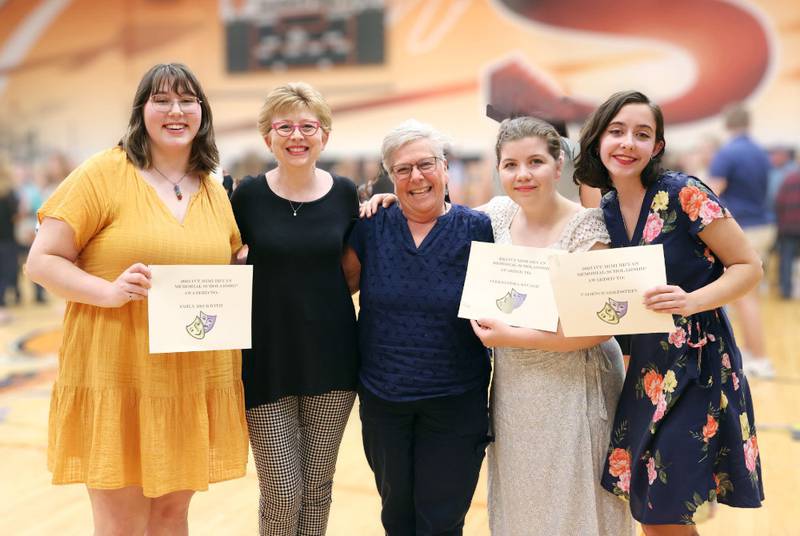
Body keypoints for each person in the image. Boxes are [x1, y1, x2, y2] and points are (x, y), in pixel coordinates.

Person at [24, 63, 248, 534]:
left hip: (187, 378)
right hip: (117, 371)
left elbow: (225, 261)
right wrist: (106, 292)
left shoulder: (212, 188)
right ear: (141, 110)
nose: (175, 110)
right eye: (161, 100)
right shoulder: (103, 172)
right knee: (121, 521)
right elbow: (42, 261)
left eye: (187, 100)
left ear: (202, 113)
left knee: (172, 516)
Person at [574, 90, 764, 536]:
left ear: (656, 147)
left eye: (642, 134)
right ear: (598, 139)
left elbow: (750, 266)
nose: (628, 143)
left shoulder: (684, 193)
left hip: (698, 369)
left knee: (662, 511)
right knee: (652, 512)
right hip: (644, 373)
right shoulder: (602, 212)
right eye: (617, 131)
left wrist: (693, 300)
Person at [462, 116, 633, 535]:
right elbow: (440, 218)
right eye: (510, 164)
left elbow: (598, 329)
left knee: (577, 502)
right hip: (516, 390)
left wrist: (508, 337)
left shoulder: (589, 227)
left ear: (560, 167)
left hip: (578, 384)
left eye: (535, 161)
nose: (522, 175)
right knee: (524, 502)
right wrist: (388, 202)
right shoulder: (498, 215)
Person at [347, 119, 493, 535]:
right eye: (402, 169)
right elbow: (338, 286)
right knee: (396, 517)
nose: (416, 177)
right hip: (384, 399)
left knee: (442, 521)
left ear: (445, 168)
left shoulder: (479, 229)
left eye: (426, 164)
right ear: (390, 178)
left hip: (456, 399)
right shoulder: (371, 226)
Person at [230, 82, 360, 535]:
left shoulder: (346, 194)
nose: (296, 135)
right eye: (284, 126)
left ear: (324, 134)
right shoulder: (245, 197)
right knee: (282, 490)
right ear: (268, 137)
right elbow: (224, 259)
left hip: (333, 360)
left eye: (308, 126)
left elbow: (354, 267)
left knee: (317, 486)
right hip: (265, 359)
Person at [707, 105, 775, 378]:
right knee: (749, 296)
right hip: (764, 224)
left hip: (744, 227)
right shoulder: (761, 152)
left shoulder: (728, 152)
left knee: (744, 296)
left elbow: (708, 194)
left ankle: (760, 358)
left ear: (727, 125)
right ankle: (751, 350)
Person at [775, 163, 800, 299]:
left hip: (789, 226)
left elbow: (778, 202)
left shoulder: (789, 178)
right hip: (790, 226)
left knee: (786, 259)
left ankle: (785, 291)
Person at [0, 155, 19, 324]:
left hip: (5, 238)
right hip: (6, 239)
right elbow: (15, 216)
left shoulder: (9, 191)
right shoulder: (9, 192)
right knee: (6, 273)